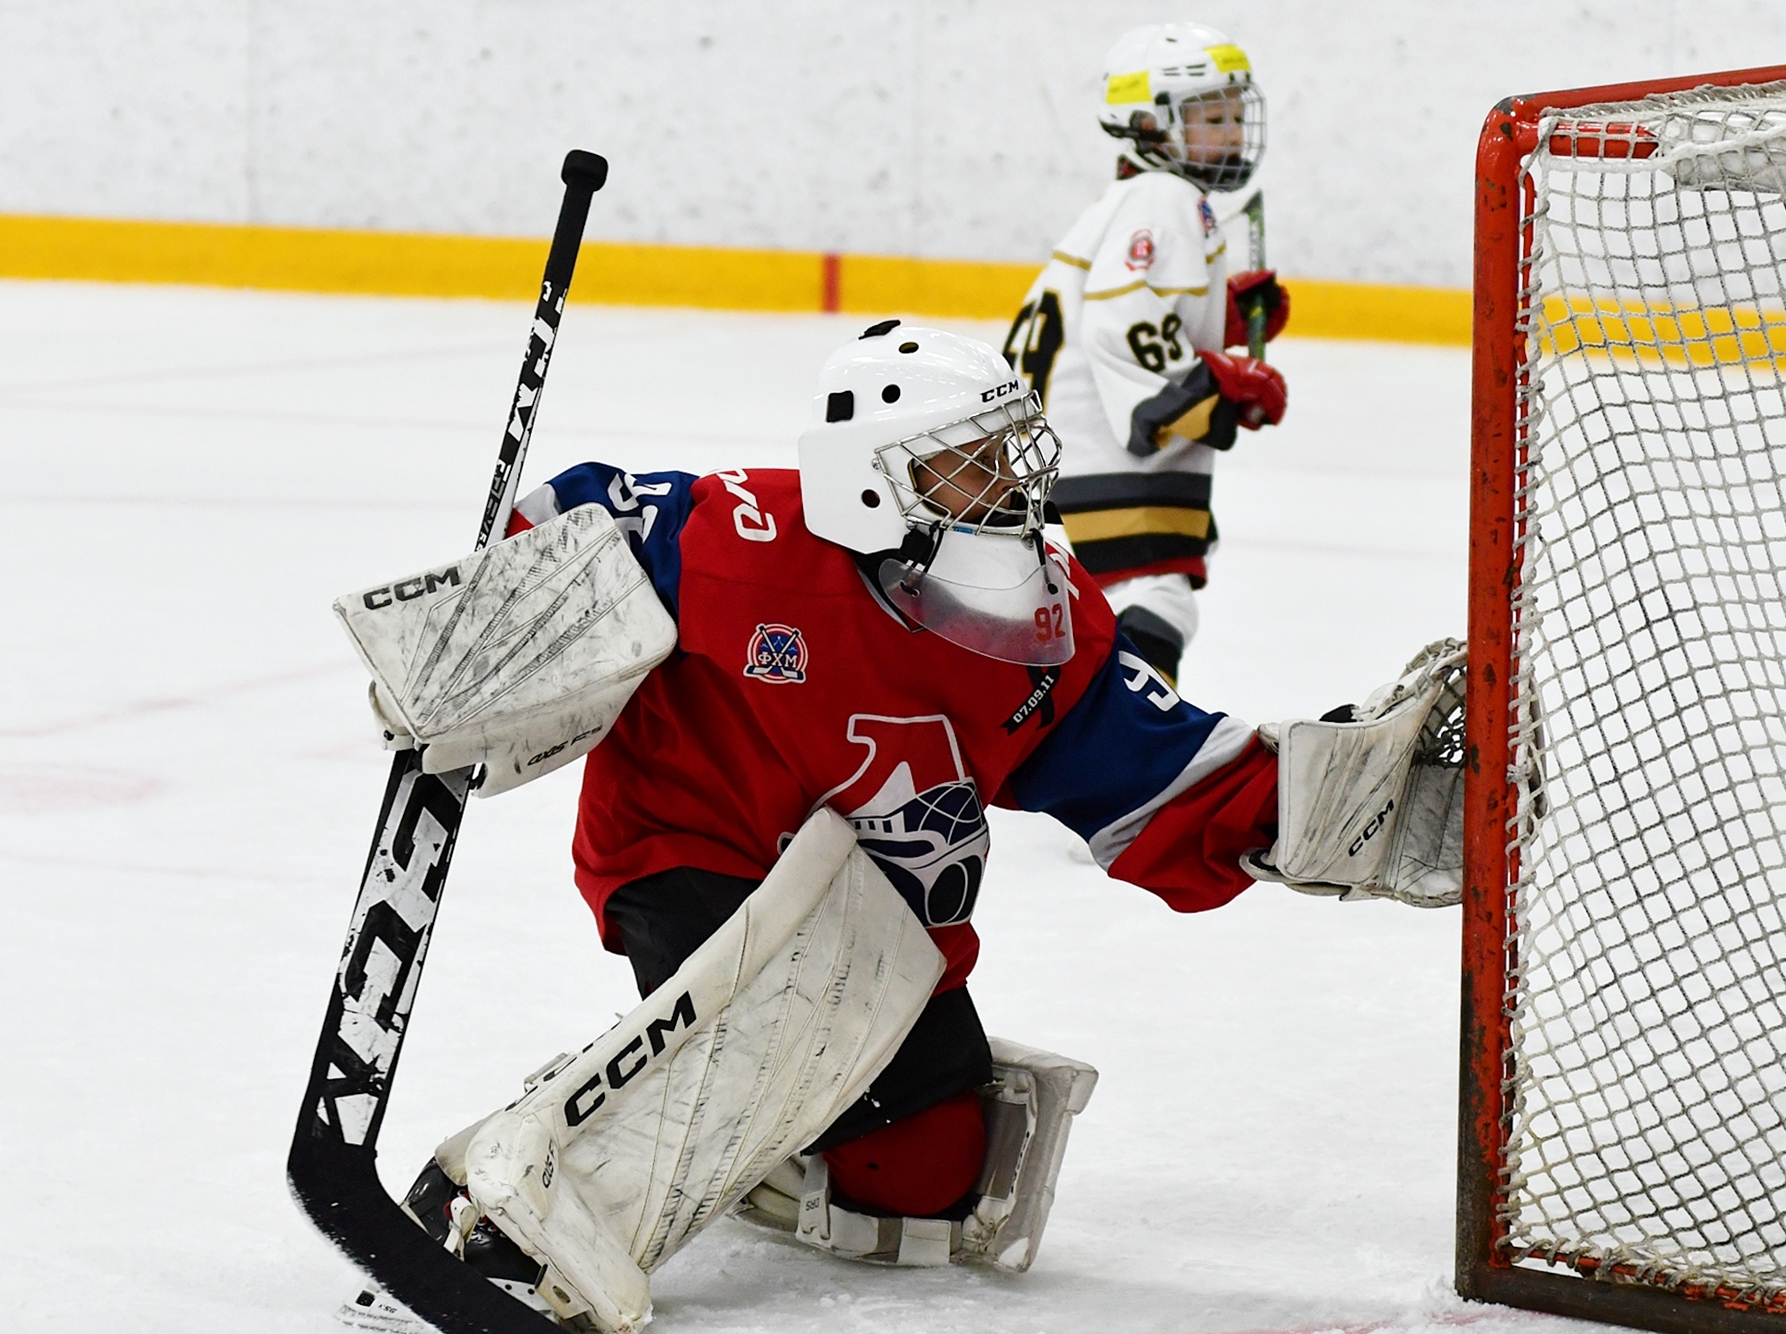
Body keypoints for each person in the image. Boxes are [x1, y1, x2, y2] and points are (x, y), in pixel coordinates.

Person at [361, 323, 1459, 1334]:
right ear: (870, 488)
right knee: (762, 1019)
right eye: (966, 462)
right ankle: (507, 1194)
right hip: (689, 840)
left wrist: (1346, 805)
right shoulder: (745, 541)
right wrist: (483, 622)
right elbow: (589, 513)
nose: (1009, 487)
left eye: (1007, 453)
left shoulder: (1040, 623)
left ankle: (725, 1110)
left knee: (930, 1172)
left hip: (871, 911)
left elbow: (1160, 773)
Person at [1003, 21, 1292, 685]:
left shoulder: (1138, 197)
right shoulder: (1164, 199)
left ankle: (1114, 733)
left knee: (1124, 600)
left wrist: (1217, 320)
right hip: (1098, 453)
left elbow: (1119, 310)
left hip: (1056, 453)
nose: (1229, 132)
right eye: (1207, 116)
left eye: (1232, 114)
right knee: (1151, 595)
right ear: (1145, 123)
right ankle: (1135, 743)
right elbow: (1119, 320)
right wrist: (1208, 389)